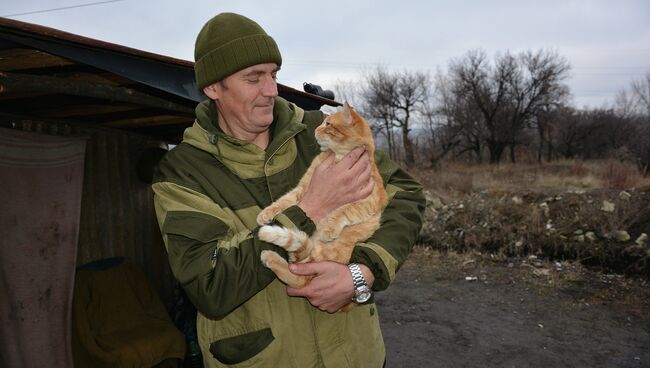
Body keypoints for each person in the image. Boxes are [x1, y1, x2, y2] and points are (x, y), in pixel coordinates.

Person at [152, 12, 425, 368]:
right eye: (254, 78)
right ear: (213, 88)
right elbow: (211, 285)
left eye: (273, 75)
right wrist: (308, 208)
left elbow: (405, 194)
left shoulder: (321, 133)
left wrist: (362, 272)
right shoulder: (183, 173)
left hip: (357, 356)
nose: (271, 90)